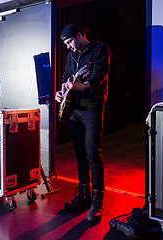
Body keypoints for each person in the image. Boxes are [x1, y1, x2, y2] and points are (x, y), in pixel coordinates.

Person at [55, 24, 111, 223]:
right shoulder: (71, 56)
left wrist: (82, 85)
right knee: (79, 154)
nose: (69, 46)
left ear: (79, 35)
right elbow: (65, 77)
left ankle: (98, 201)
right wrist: (61, 91)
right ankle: (84, 195)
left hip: (92, 109)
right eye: (66, 43)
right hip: (74, 110)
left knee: (92, 154)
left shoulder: (99, 49)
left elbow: (98, 75)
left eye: (70, 41)